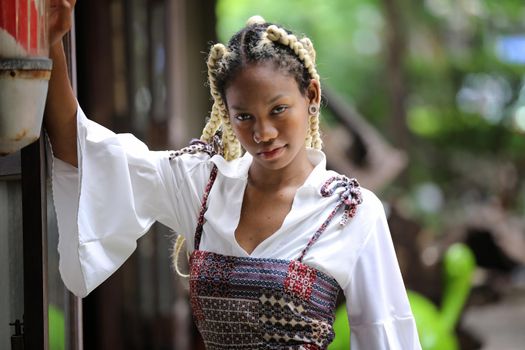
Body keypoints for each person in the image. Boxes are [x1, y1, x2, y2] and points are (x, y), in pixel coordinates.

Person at [46, 1, 421, 349]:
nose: (263, 133)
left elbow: (387, 335)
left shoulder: (350, 211)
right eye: (244, 116)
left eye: (278, 110)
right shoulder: (201, 186)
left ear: (312, 95)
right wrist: (51, 41)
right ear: (226, 113)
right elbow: (78, 148)